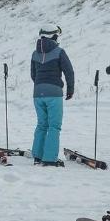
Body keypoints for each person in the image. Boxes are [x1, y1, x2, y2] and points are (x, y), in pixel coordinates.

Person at [30, 24, 74, 167]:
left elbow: (33, 75)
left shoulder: (34, 54)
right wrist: (70, 89)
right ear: (54, 36)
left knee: (42, 124)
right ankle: (49, 159)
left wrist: (41, 85)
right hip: (54, 93)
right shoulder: (59, 52)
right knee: (54, 126)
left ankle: (37, 156)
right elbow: (69, 72)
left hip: (37, 93)